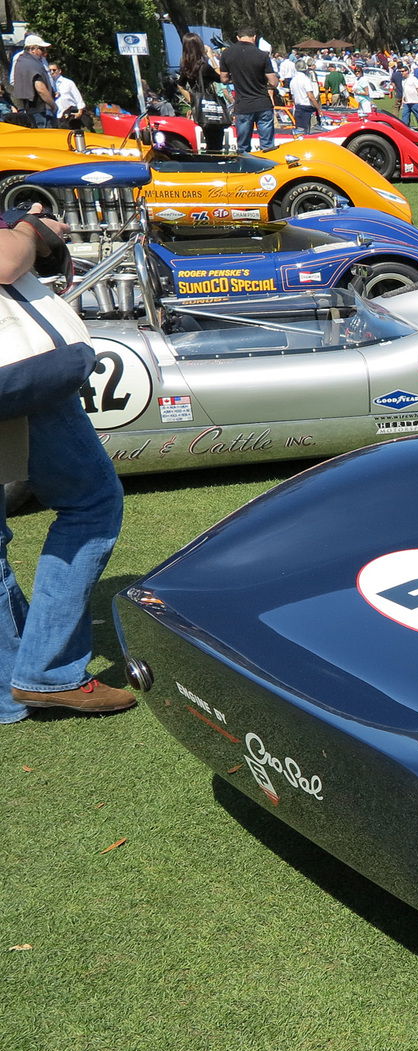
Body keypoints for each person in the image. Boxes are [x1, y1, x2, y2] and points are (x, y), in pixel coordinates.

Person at [0, 209, 134, 723]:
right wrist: (29, 230)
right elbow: (8, 264)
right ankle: (48, 674)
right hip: (18, 378)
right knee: (91, 503)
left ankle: (11, 685)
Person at [221, 27, 278, 152]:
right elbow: (274, 82)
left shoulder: (227, 53)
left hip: (243, 105)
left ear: (238, 38)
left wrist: (236, 79)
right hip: (262, 103)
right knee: (267, 146)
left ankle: (245, 169)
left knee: (243, 146)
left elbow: (224, 79)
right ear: (254, 37)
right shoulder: (262, 55)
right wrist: (264, 84)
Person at [8, 34, 55, 128]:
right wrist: (53, 105)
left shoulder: (22, 61)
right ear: (32, 49)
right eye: (41, 49)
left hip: (29, 108)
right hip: (41, 110)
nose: (44, 53)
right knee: (45, 139)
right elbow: (40, 88)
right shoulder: (32, 64)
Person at [289, 64, 318, 131]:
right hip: (306, 107)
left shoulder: (293, 80)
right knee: (306, 130)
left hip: (298, 106)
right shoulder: (306, 80)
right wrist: (318, 108)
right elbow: (310, 96)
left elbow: (293, 96)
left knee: (299, 129)